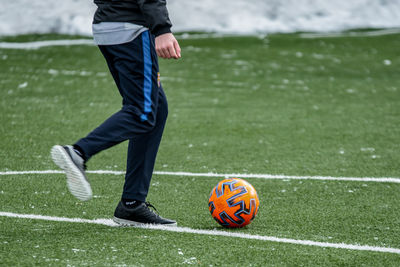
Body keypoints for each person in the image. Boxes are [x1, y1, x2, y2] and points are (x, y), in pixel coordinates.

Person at [51, 0, 181, 226]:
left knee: (156, 108)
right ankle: (78, 152)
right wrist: (162, 29)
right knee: (142, 111)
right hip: (130, 28)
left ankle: (132, 204)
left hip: (109, 26)